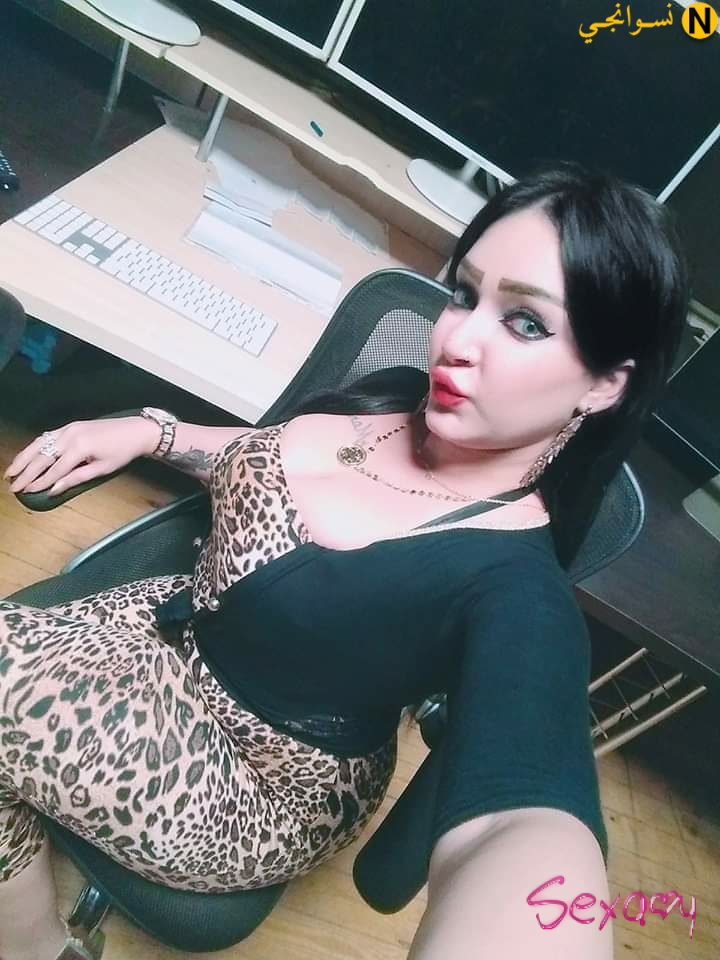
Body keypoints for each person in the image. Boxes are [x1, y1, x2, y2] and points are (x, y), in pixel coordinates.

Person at [1, 164, 688, 960]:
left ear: (603, 386)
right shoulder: (397, 393)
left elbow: (520, 821)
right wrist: (156, 431)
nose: (457, 340)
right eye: (466, 294)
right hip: (167, 632)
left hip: (253, 779)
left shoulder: (514, 591)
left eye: (527, 324)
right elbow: (266, 455)